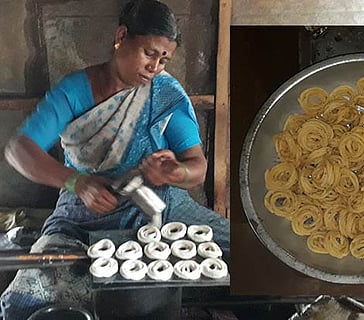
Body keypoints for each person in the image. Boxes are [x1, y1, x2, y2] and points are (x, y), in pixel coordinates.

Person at [0, 1, 229, 319]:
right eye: (150, 52)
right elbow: (19, 149)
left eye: (164, 59)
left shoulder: (164, 93)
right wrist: (76, 181)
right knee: (32, 292)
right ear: (122, 36)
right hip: (82, 212)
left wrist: (177, 172)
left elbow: (197, 166)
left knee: (245, 257)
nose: (155, 67)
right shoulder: (75, 91)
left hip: (159, 206)